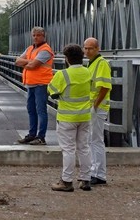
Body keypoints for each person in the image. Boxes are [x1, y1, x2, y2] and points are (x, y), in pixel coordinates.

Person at [48, 44, 92, 192]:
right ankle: (86, 180)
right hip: (85, 116)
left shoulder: (62, 74)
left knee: (68, 150)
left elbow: (52, 91)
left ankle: (66, 181)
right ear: (82, 57)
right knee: (84, 148)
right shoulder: (88, 72)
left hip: (67, 117)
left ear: (66, 59)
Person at [15, 26, 54, 145]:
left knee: (41, 110)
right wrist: (29, 62)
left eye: (38, 35)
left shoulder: (46, 50)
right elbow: (17, 61)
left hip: (41, 84)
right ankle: (32, 135)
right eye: (34, 35)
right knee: (31, 109)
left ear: (43, 36)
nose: (36, 37)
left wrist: (26, 62)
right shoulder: (30, 48)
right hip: (31, 83)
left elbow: (33, 66)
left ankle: (41, 137)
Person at [84, 37, 112, 185]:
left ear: (97, 49)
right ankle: (95, 172)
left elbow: (105, 86)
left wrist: (95, 106)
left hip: (97, 106)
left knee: (95, 140)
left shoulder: (101, 63)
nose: (87, 51)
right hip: (95, 106)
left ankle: (99, 174)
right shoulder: (92, 63)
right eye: (86, 48)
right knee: (93, 140)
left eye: (90, 48)